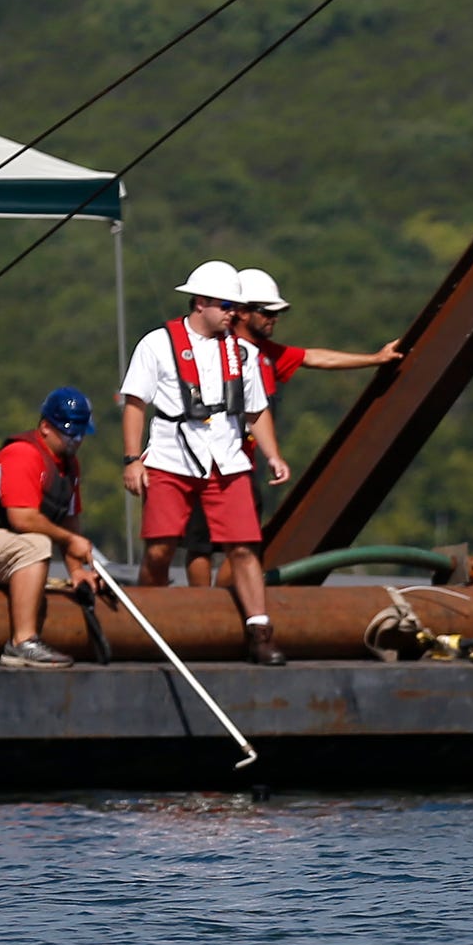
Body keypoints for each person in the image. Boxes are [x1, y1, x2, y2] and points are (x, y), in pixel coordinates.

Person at [120, 259, 284, 664]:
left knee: (244, 547)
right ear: (201, 302)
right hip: (170, 458)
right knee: (160, 549)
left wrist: (273, 455)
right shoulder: (156, 344)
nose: (235, 315)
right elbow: (135, 403)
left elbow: (256, 411)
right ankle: (147, 621)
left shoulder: (243, 354)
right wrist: (131, 459)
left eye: (237, 307)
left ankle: (259, 630)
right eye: (228, 306)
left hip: (226, 461)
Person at [0, 387, 101, 669]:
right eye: (70, 433)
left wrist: (77, 572)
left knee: (37, 544)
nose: (77, 441)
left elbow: (70, 524)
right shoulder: (23, 454)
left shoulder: (70, 467)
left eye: (82, 433)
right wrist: (71, 540)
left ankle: (24, 628)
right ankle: (22, 643)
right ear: (46, 426)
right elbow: (22, 519)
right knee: (36, 545)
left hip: (2, 548)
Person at [230, 265, 403, 490]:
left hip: (242, 466)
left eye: (277, 313)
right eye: (268, 312)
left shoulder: (264, 353)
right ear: (242, 312)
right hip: (214, 467)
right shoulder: (220, 352)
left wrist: (376, 359)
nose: (274, 319)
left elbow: (313, 358)